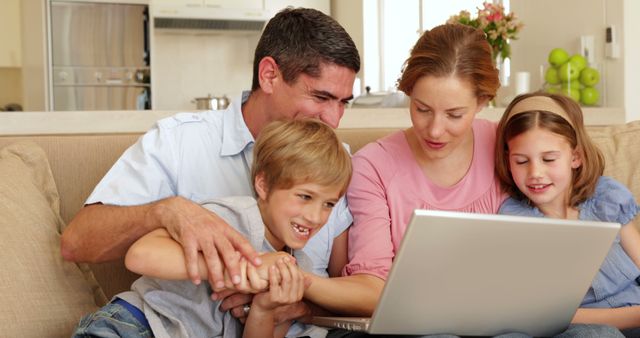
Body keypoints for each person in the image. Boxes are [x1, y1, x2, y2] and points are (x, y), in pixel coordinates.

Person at [258, 24, 619, 338]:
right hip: (422, 327)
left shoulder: (509, 147)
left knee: (596, 334)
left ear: (482, 102)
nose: (434, 130)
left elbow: (575, 194)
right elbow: (371, 280)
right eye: (422, 108)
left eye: (454, 114)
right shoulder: (373, 166)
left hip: (512, 320)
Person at [60, 6, 360, 327]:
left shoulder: (334, 159)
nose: (334, 120)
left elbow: (347, 284)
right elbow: (77, 243)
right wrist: (166, 211)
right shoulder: (180, 141)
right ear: (269, 75)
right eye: (320, 97)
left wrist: (297, 308)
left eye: (343, 102)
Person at [72, 118, 353, 338]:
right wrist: (242, 271)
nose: (316, 216)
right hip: (134, 326)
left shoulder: (293, 265)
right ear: (263, 185)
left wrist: (264, 309)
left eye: (329, 204)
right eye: (305, 197)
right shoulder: (232, 218)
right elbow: (140, 255)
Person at [495, 92, 640, 337]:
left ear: (576, 157)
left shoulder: (606, 197)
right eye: (521, 161)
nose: (535, 173)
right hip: (583, 327)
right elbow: (540, 311)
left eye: (549, 159)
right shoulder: (515, 220)